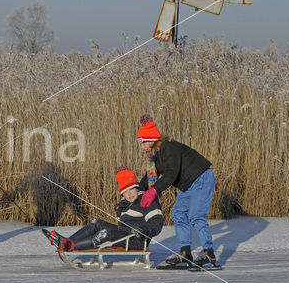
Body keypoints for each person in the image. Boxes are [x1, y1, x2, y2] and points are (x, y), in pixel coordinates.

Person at [135, 114, 217, 268]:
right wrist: (136, 190)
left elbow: (171, 174)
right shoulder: (155, 156)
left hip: (201, 177)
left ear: (150, 139)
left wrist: (154, 191)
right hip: (188, 184)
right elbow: (150, 177)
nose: (141, 146)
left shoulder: (168, 147)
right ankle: (185, 252)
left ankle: (209, 252)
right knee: (178, 214)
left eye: (142, 142)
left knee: (195, 216)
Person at [42, 167, 163, 252]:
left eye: (132, 190)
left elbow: (157, 222)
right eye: (125, 192)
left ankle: (70, 246)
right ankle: (68, 242)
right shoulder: (125, 203)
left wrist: (145, 229)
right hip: (123, 234)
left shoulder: (146, 201)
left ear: (137, 188)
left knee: (105, 234)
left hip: (137, 240)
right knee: (97, 223)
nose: (129, 194)